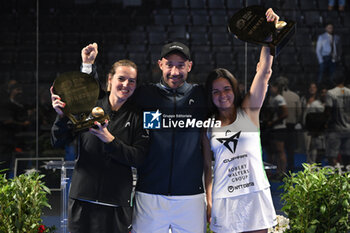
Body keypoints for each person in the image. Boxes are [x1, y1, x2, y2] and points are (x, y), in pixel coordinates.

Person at [80, 41, 208, 232]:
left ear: (189, 66)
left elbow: (234, 104)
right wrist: (88, 67)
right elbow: (103, 98)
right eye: (169, 64)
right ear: (160, 65)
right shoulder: (145, 95)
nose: (175, 71)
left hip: (191, 196)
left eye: (180, 65)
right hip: (149, 195)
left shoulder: (201, 96)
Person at [51, 59, 149, 233]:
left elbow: (139, 158)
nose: (126, 84)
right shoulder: (90, 106)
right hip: (82, 199)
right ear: (110, 79)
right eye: (121, 78)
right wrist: (61, 117)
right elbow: (58, 141)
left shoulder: (138, 116)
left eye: (132, 81)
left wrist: (109, 139)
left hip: (116, 204)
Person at [202, 8, 278, 233]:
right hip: (224, 200)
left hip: (255, 195)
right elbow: (207, 167)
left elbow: (264, 72)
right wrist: (208, 199)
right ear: (210, 95)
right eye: (216, 91)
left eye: (226, 89)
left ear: (234, 90)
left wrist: (268, 35)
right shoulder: (207, 126)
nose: (222, 95)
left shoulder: (249, 112)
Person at [324, 71, 350, 167]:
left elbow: (328, 111)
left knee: (332, 156)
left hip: (335, 129)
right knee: (347, 156)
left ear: (334, 80)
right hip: (348, 129)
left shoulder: (331, 93)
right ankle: (346, 178)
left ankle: (335, 178)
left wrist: (325, 123)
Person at [277, 76, 302, 171]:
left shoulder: (277, 97)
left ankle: (280, 169)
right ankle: (290, 168)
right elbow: (299, 112)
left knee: (279, 150)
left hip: (279, 126)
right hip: (292, 125)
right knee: (290, 149)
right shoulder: (295, 96)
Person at [301, 82, 326, 164]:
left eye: (314, 87)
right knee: (307, 148)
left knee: (316, 148)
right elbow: (301, 112)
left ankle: (315, 164)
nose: (312, 89)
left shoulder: (319, 101)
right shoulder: (304, 99)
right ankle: (309, 165)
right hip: (306, 127)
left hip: (316, 129)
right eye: (310, 87)